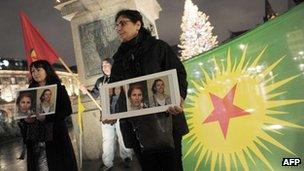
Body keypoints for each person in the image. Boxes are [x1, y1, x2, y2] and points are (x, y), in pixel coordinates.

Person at [109, 9, 188, 171]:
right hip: (136, 126)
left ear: (138, 24)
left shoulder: (159, 47)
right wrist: (111, 110)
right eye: (116, 25)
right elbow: (114, 88)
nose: (118, 28)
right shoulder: (117, 59)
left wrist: (178, 97)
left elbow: (178, 74)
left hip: (165, 120)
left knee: (172, 166)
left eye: (123, 23)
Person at [19, 60, 77, 171]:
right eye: (33, 71)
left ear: (47, 71)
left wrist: (47, 117)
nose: (35, 73)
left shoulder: (59, 89)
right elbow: (23, 113)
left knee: (58, 165)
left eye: (38, 70)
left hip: (56, 136)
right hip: (36, 137)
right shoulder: (29, 93)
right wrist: (26, 120)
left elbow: (67, 110)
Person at [81, 58, 133, 170]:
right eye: (103, 65)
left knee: (123, 136)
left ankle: (127, 157)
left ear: (112, 65)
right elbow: (94, 95)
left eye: (107, 65)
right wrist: (86, 91)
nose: (104, 67)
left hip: (121, 113)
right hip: (106, 114)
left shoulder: (121, 77)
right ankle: (107, 163)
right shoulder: (100, 81)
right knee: (107, 139)